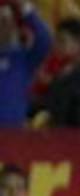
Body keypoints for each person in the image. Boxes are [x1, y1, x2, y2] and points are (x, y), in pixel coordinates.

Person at [0, 0, 51, 128]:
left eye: (5, 22)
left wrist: (25, 8)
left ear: (13, 26)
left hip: (15, 136)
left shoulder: (23, 58)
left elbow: (45, 39)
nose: (1, 27)